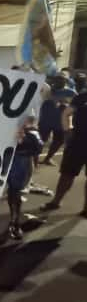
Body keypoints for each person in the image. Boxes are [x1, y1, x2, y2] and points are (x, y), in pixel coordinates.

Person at [41, 88, 87, 216]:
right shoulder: (82, 96)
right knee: (67, 174)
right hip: (77, 141)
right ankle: (56, 201)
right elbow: (66, 113)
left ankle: (86, 209)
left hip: (77, 142)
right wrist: (67, 130)